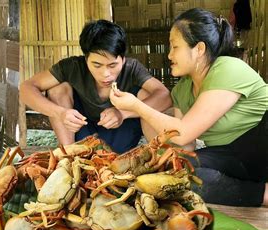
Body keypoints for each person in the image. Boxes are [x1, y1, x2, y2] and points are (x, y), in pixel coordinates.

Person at [109, 8, 267, 207]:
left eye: (175, 47)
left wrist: (137, 106)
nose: (169, 55)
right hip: (233, 156)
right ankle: (262, 194)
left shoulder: (227, 68)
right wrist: (154, 154)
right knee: (180, 171)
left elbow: (183, 133)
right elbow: (185, 146)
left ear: (199, 49)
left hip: (262, 143)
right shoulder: (182, 90)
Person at [20, 20, 171, 153]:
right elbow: (26, 88)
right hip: (81, 133)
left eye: (112, 65)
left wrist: (122, 113)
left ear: (123, 59)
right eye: (97, 65)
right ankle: (68, 157)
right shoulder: (72, 66)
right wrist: (60, 113)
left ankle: (157, 155)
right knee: (57, 88)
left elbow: (164, 95)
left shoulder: (132, 68)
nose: (106, 74)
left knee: (145, 94)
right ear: (86, 59)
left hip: (121, 135)